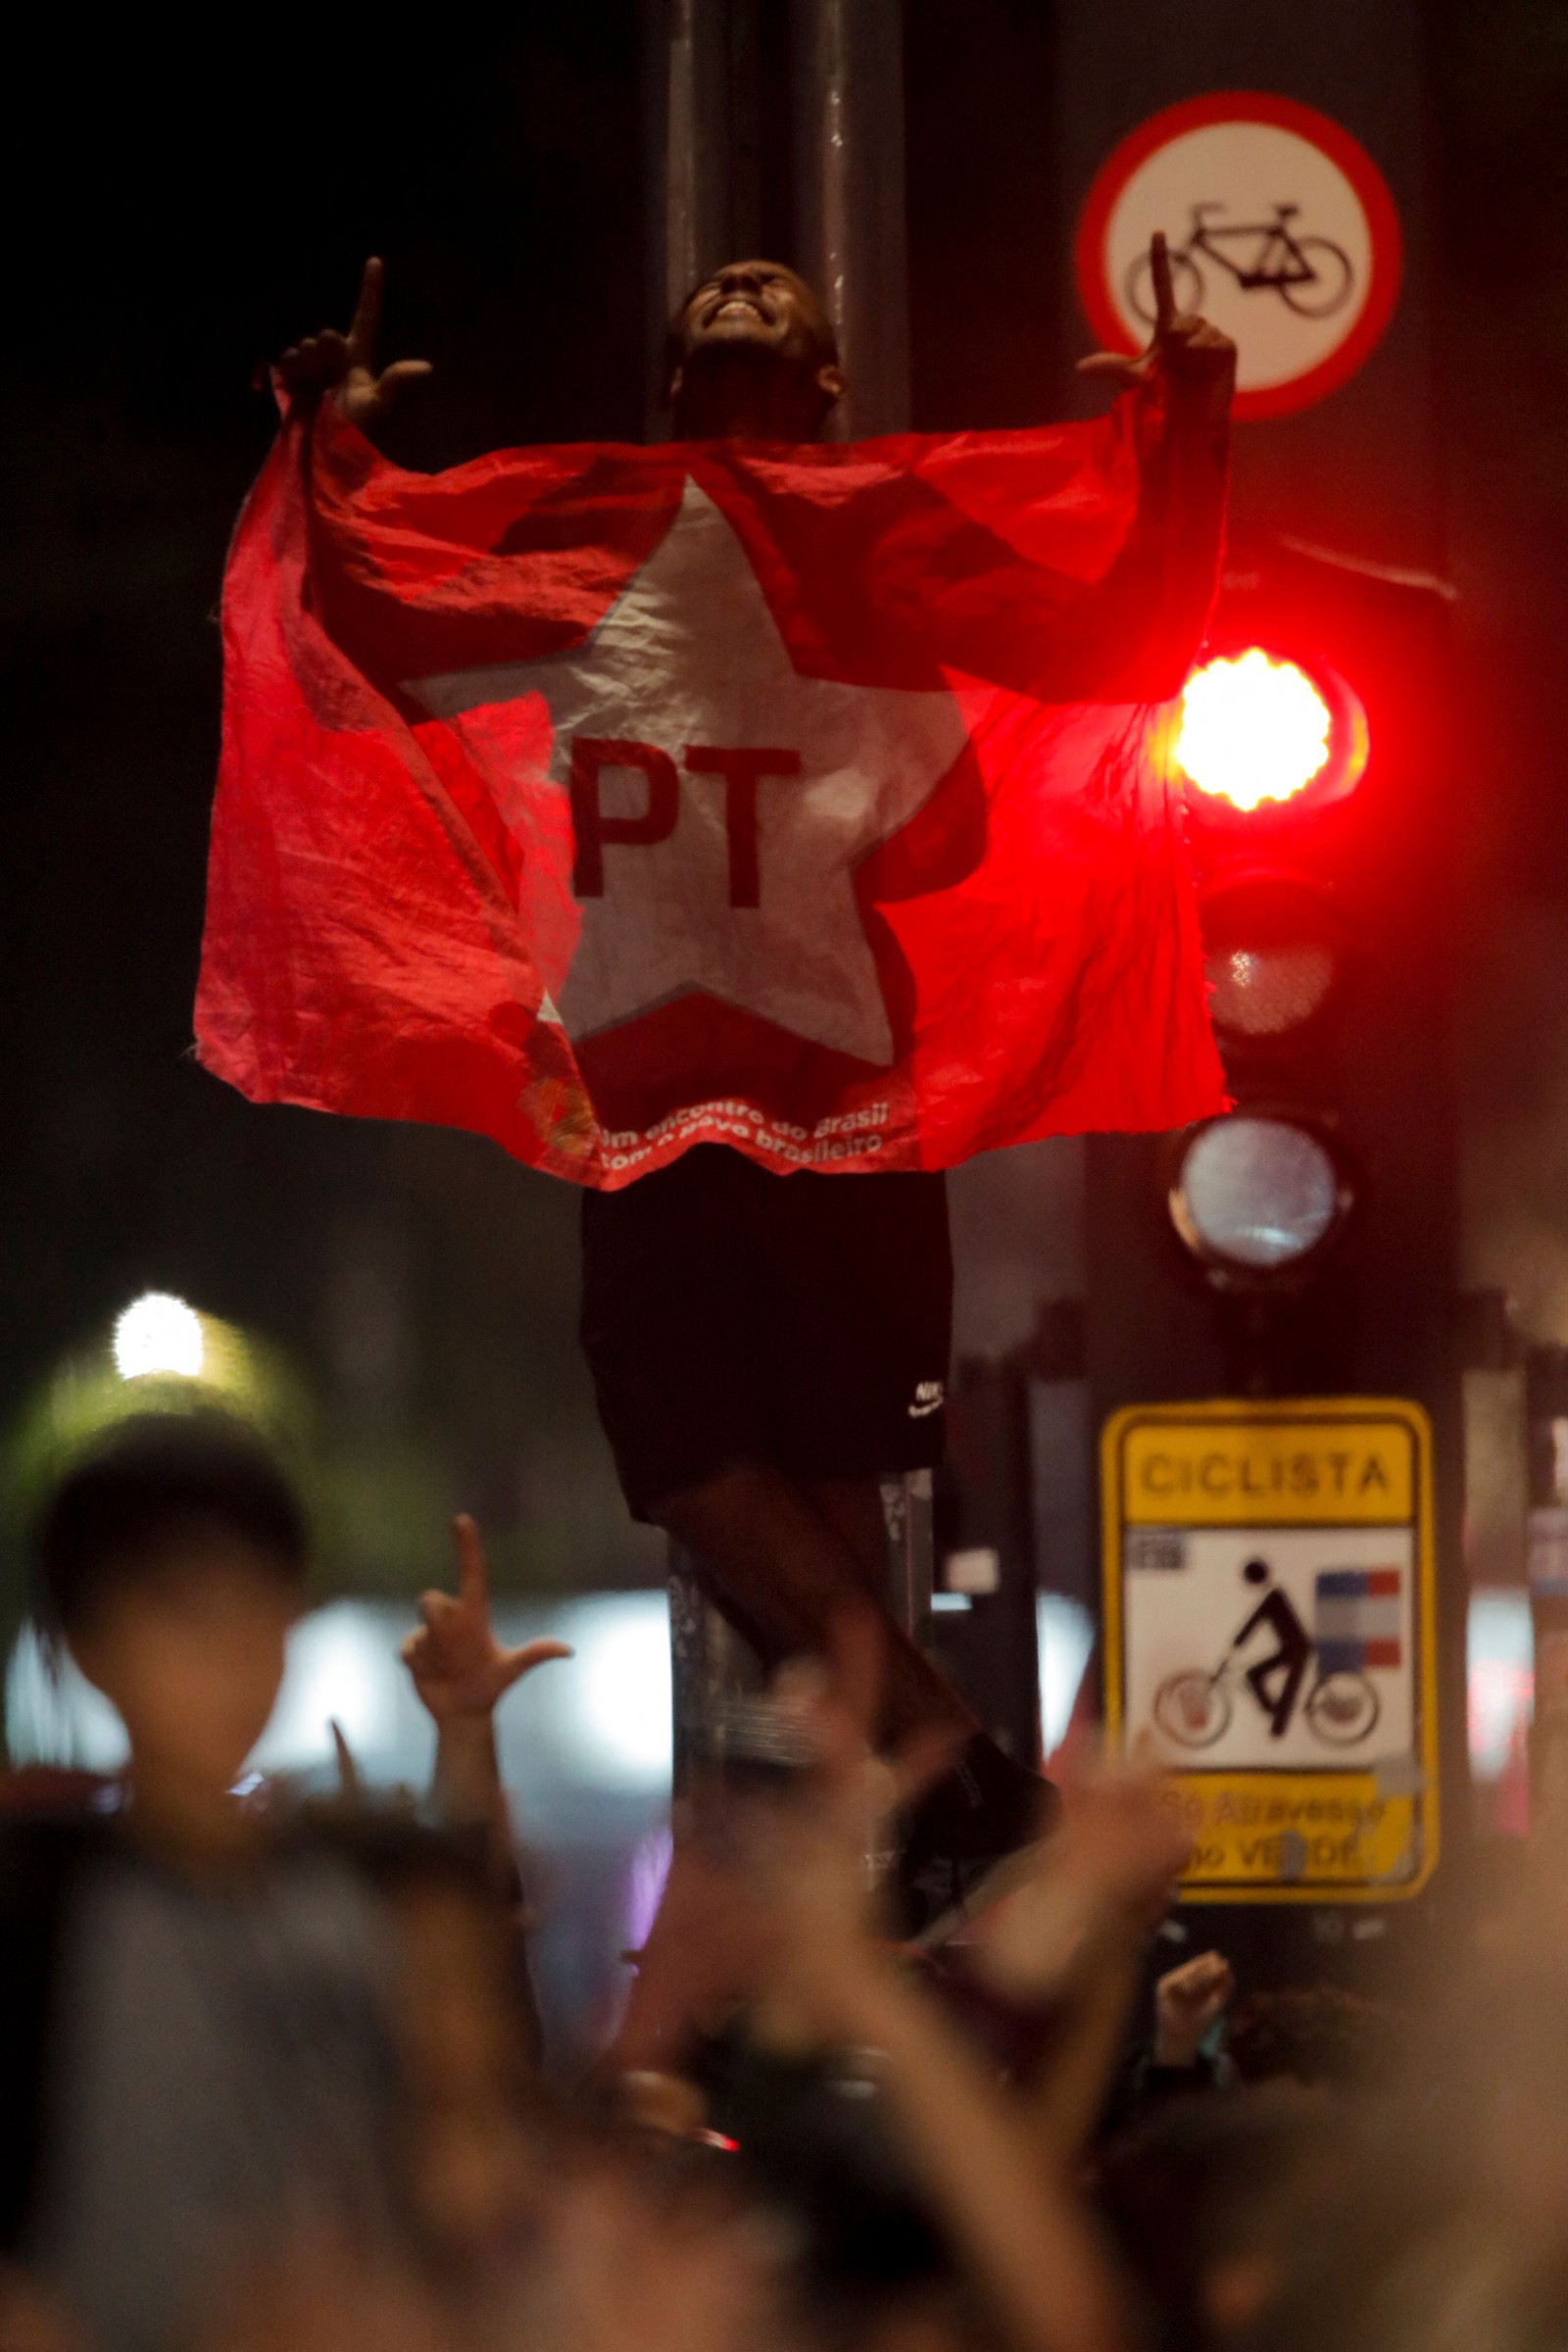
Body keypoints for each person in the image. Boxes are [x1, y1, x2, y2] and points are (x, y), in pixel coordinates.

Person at [275, 247, 1235, 1912]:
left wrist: (1196, 415)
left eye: (776, 290)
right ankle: (962, 1797)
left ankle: (888, 1912)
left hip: (841, 1086)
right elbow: (356, 623)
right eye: (717, 290)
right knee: (693, 1461)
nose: (742, 285)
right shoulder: (592, 532)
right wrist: (319, 445)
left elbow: (1127, 635)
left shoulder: (891, 538)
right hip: (652, 1089)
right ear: (670, 381)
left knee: (826, 1486)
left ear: (829, 383)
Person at [0, 1412, 545, 2352]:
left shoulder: (345, 1895)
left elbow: (472, 2080)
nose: (234, 1656)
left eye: (263, 1608)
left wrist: (464, 1736)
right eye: (183, 1612)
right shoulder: (41, 1914)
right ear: (90, 1648)